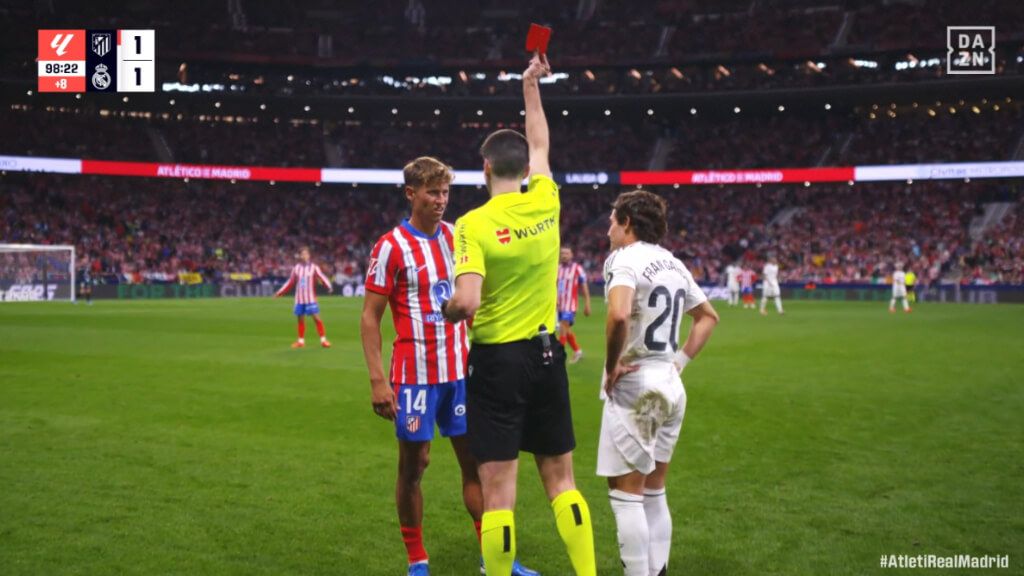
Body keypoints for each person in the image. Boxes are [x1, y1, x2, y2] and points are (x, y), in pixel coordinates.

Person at [442, 53, 597, 576]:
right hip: (548, 354)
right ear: (526, 170)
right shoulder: (546, 201)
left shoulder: (472, 224)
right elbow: (541, 143)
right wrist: (531, 86)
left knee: (499, 490)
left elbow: (465, 302)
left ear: (484, 169)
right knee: (562, 481)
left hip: (498, 362)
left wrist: (443, 309)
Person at [360, 157, 537, 576]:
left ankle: (492, 558)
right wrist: (377, 380)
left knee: (475, 463)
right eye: (432, 193)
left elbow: (472, 300)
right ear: (411, 194)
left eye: (445, 193)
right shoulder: (390, 246)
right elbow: (371, 316)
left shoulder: (458, 237)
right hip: (414, 378)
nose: (441, 201)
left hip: (460, 373)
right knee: (414, 465)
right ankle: (417, 559)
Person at [599, 190, 719, 576]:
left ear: (628, 223)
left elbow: (618, 315)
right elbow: (708, 317)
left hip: (638, 387)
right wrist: (679, 362)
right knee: (654, 490)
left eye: (613, 220)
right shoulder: (673, 263)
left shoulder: (623, 259)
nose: (608, 228)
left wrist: (612, 364)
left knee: (625, 496)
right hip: (669, 383)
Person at [275, 246, 332, 348]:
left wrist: (328, 286)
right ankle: (301, 341)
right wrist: (280, 292)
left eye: (306, 254)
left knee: (316, 318)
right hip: (299, 299)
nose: (304, 256)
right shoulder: (296, 268)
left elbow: (322, 277)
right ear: (300, 256)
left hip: (310, 298)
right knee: (300, 319)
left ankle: (323, 340)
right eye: (303, 254)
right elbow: (290, 282)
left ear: (309, 255)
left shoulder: (314, 267)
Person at [557, 247, 592, 364]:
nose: (564, 255)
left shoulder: (577, 268)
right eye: (562, 253)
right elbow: (555, 286)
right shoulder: (558, 269)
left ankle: (559, 355)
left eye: (567, 253)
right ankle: (578, 351)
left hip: (570, 306)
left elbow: (584, 286)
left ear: (572, 255)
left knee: (562, 327)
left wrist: (587, 303)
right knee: (566, 330)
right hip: (559, 306)